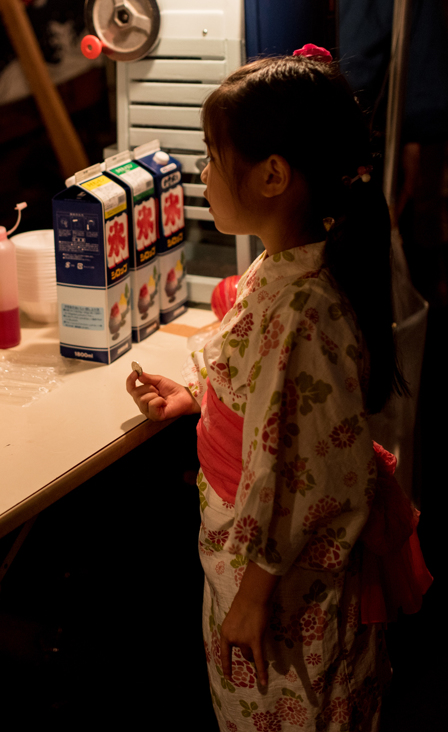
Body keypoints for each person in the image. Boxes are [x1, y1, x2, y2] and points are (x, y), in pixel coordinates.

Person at [126, 49, 430, 730]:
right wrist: (197, 399)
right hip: (248, 558)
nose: (203, 172)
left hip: (284, 585)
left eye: (211, 154)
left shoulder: (304, 309)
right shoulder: (285, 269)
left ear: (271, 175)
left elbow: (309, 475)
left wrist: (255, 596)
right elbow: (266, 401)